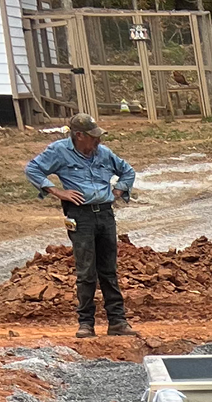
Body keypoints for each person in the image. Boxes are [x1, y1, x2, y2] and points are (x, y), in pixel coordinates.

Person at [24, 116, 136, 340]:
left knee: (109, 270)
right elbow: (33, 169)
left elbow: (128, 171)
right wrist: (57, 191)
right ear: (79, 135)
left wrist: (118, 191)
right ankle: (86, 324)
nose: (98, 141)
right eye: (93, 137)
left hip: (105, 215)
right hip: (80, 215)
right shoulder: (59, 151)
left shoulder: (103, 153)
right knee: (86, 272)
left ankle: (117, 322)